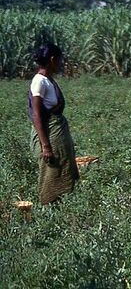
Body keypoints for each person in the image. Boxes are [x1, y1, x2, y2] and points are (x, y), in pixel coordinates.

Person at [28, 43, 79, 204]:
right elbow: (36, 114)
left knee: (63, 168)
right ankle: (48, 208)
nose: (60, 63)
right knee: (52, 172)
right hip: (50, 135)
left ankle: (60, 207)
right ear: (52, 59)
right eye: (59, 60)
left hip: (56, 132)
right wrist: (46, 146)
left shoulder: (48, 80)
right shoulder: (40, 81)